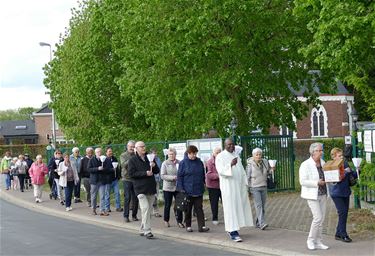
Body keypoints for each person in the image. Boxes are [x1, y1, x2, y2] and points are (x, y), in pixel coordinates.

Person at [215, 138, 253, 242]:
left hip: (238, 187)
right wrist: (230, 165)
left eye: (232, 144)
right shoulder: (220, 156)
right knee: (230, 209)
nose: (231, 146)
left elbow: (241, 170)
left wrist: (246, 184)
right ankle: (232, 231)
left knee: (237, 208)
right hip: (229, 188)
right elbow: (221, 171)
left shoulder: (236, 155)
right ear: (224, 145)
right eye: (229, 145)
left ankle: (234, 228)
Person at [299, 142, 329, 250]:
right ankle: (310, 240)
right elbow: (302, 181)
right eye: (319, 150)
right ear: (312, 152)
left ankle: (319, 242)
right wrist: (316, 182)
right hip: (312, 195)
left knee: (321, 219)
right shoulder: (305, 164)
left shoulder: (323, 162)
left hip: (323, 194)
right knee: (318, 218)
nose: (321, 152)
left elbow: (327, 176)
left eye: (321, 150)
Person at [128, 141, 160, 239]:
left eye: (144, 146)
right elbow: (131, 174)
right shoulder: (132, 160)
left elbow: (157, 171)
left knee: (148, 211)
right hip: (140, 188)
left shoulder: (149, 158)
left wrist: (154, 166)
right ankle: (147, 230)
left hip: (150, 187)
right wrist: (145, 173)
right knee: (145, 208)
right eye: (141, 147)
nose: (143, 148)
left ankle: (142, 228)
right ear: (136, 149)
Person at [177, 145, 209, 233]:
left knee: (199, 208)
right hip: (187, 190)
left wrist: (204, 183)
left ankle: (201, 226)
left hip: (198, 189)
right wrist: (181, 189)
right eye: (192, 154)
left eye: (195, 153)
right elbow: (179, 177)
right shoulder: (183, 163)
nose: (194, 155)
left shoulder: (199, 162)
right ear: (188, 153)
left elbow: (203, 174)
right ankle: (188, 225)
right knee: (188, 209)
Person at [329, 148, 357, 243]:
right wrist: (345, 172)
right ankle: (343, 234)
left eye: (342, 155)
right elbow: (334, 179)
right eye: (339, 156)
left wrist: (357, 170)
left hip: (345, 192)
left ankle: (338, 233)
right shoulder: (331, 165)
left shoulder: (344, 163)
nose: (342, 157)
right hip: (336, 193)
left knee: (344, 213)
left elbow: (352, 175)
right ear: (333, 157)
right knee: (342, 213)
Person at [246, 147, 275, 230]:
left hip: (264, 186)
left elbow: (268, 172)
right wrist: (248, 190)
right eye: (257, 155)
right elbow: (247, 177)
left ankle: (258, 222)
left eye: (260, 154)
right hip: (254, 187)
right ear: (253, 155)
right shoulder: (249, 164)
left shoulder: (265, 162)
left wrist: (272, 170)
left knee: (262, 206)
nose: (259, 156)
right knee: (259, 205)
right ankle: (262, 223)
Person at [160, 147, 184, 228]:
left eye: (173, 154)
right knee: (167, 205)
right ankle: (166, 220)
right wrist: (173, 177)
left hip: (178, 187)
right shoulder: (165, 163)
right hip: (168, 188)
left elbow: (182, 172)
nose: (171, 156)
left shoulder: (179, 162)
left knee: (179, 205)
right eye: (170, 154)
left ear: (175, 154)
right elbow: (162, 176)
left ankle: (180, 221)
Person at [88, 147, 112, 216]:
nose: (99, 153)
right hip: (94, 181)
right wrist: (97, 169)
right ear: (95, 153)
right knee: (94, 196)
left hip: (102, 181)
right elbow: (89, 169)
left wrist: (103, 169)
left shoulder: (105, 160)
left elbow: (108, 168)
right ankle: (93, 209)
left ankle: (102, 210)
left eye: (100, 152)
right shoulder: (92, 160)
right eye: (98, 152)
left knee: (102, 196)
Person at [120, 140, 139, 222]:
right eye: (130, 146)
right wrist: (133, 157)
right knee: (127, 197)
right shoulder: (123, 155)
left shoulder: (137, 155)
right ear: (127, 147)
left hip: (135, 178)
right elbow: (124, 165)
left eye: (133, 146)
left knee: (136, 198)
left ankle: (134, 215)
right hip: (126, 178)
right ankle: (126, 216)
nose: (132, 148)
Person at [206, 147, 222, 225]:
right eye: (217, 152)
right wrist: (219, 175)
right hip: (212, 186)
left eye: (220, 152)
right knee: (214, 203)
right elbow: (208, 175)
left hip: (222, 185)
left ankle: (228, 217)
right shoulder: (209, 162)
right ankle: (215, 218)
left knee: (225, 202)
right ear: (213, 153)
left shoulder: (223, 161)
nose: (218, 154)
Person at [105, 147, 123, 212]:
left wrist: (119, 176)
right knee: (107, 194)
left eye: (111, 151)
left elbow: (118, 168)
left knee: (117, 193)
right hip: (108, 180)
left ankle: (118, 207)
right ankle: (107, 208)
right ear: (106, 152)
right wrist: (111, 169)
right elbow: (104, 170)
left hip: (115, 180)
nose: (110, 152)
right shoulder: (104, 160)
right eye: (109, 151)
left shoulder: (114, 158)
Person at [151, 148, 162, 217]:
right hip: (150, 181)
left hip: (157, 180)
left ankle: (155, 211)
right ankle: (153, 211)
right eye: (153, 153)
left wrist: (160, 178)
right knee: (152, 196)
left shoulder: (158, 160)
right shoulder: (149, 159)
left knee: (156, 196)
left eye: (156, 153)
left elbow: (159, 169)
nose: (155, 154)